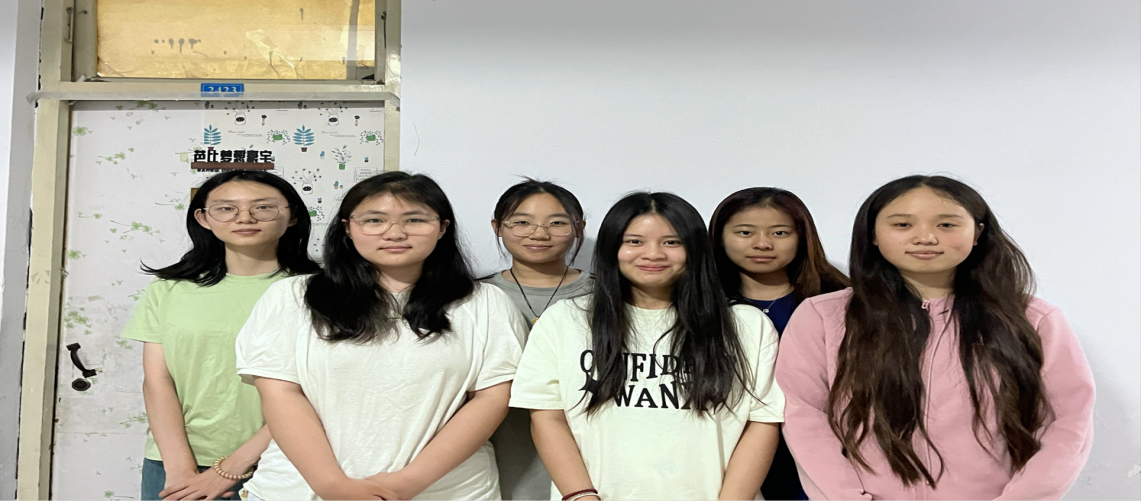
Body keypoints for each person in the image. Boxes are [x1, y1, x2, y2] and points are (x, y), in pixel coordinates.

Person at [776, 175, 1095, 500]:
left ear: (977, 233)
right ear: (872, 234)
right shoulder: (822, 317)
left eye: (946, 224)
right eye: (902, 224)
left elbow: (1068, 422)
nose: (925, 237)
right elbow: (805, 418)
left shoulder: (1033, 319)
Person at [235, 171, 528, 501]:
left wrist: (406, 483)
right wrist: (332, 485)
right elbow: (280, 394)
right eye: (374, 220)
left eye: (415, 219)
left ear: (442, 228)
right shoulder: (292, 296)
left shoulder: (484, 302)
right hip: (300, 490)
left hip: (446, 492)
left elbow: (491, 399)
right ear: (347, 228)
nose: (395, 233)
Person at [511, 191, 784, 501]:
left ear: (694, 249)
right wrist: (582, 496)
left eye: (671, 242)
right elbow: (547, 417)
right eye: (634, 241)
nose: (653, 254)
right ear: (612, 247)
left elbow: (763, 422)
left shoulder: (746, 324)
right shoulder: (564, 319)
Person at [121, 170, 320, 501]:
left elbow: (321, 391)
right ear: (203, 218)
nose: (245, 217)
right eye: (226, 208)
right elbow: (158, 381)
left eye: (263, 207)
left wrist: (230, 468)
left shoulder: (322, 291)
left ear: (293, 216)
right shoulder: (168, 288)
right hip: (175, 464)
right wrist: (179, 469)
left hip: (291, 459)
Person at [710, 187, 850, 500]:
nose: (763, 243)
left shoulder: (837, 302)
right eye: (745, 232)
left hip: (821, 451)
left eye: (779, 232)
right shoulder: (699, 305)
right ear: (719, 237)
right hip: (727, 450)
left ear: (802, 237)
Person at [482, 179, 595, 500]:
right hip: (498, 450)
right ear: (497, 227)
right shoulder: (474, 297)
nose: (539, 234)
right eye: (521, 222)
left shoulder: (607, 295)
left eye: (557, 223)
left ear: (579, 228)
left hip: (586, 451)